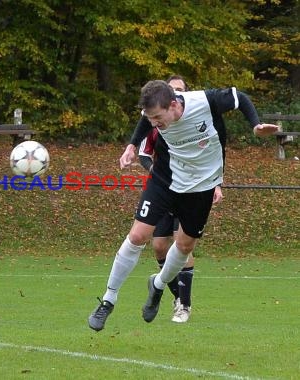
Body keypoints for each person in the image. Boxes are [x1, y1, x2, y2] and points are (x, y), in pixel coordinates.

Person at [88, 79, 278, 331]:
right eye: (151, 118)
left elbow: (239, 97)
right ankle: (108, 300)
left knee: (185, 245)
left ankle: (157, 285)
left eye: (158, 117)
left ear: (174, 104)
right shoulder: (155, 113)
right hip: (165, 179)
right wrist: (133, 145)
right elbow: (146, 119)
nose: (155, 124)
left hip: (201, 186)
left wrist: (255, 125)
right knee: (138, 235)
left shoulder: (206, 101)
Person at [137, 75, 223, 323]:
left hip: (192, 190)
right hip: (166, 190)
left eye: (180, 90)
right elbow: (144, 153)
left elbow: (208, 155)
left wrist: (215, 184)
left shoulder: (196, 118)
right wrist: (157, 175)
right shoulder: (156, 125)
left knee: (184, 244)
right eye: (172, 89)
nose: (176, 93)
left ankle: (183, 304)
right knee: (159, 246)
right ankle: (171, 293)